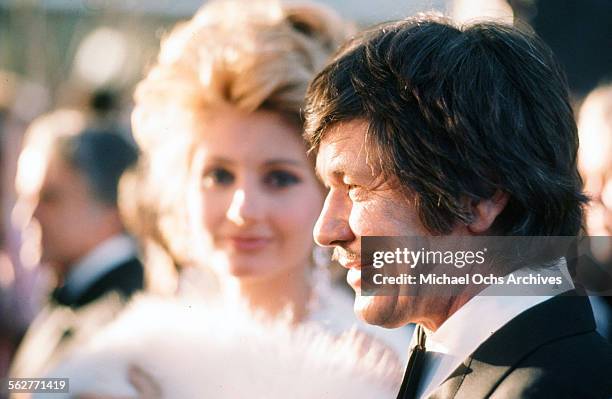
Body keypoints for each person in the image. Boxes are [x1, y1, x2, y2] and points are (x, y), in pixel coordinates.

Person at [39, 2, 409, 397]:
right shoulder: (126, 357)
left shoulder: (377, 367)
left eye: (279, 179)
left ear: (328, 191)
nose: (243, 209)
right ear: (181, 185)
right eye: (218, 175)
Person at [304, 14, 612, 399]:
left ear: (478, 195)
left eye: (354, 187)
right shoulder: (431, 361)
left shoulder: (553, 388)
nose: (326, 229)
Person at [9, 111, 143, 379]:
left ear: (113, 209)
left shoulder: (120, 321)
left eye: (49, 198)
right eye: (24, 198)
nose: (26, 215)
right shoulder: (71, 294)